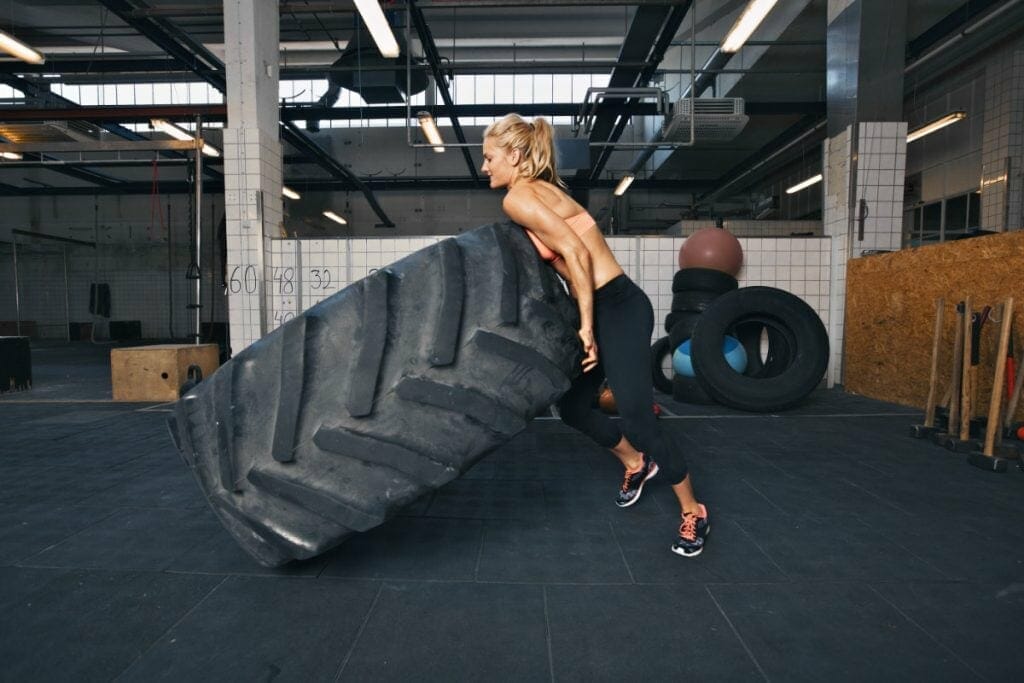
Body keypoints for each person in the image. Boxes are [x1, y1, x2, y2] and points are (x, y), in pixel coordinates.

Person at [481, 113, 709, 557]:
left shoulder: (519, 198)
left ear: (514, 155)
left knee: (639, 416)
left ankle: (693, 510)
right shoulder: (538, 190)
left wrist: (587, 327)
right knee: (572, 406)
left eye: (490, 157)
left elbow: (575, 255)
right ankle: (635, 463)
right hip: (601, 305)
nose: (484, 167)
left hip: (617, 306)